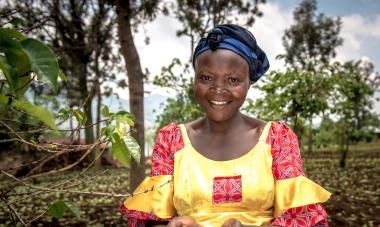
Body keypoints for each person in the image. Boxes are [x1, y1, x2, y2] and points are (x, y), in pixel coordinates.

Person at [120, 24, 331, 227]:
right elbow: (152, 220)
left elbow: (300, 220)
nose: (218, 89)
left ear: (250, 81)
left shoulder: (276, 139)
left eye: (233, 80)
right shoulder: (172, 140)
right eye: (206, 77)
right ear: (194, 79)